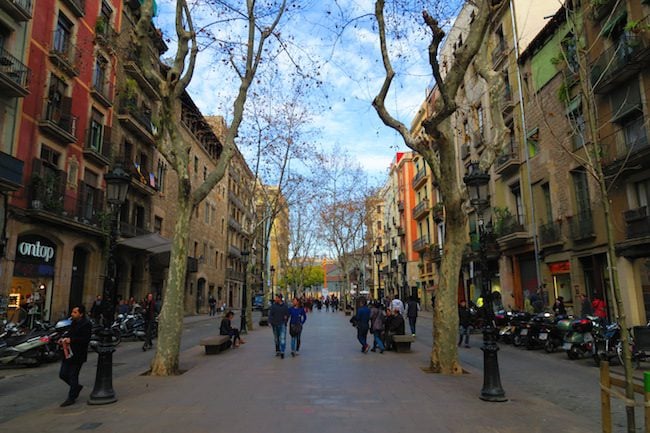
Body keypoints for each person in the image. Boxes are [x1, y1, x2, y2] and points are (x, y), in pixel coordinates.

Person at [58, 304, 92, 407]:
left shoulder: (86, 324)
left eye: (75, 312)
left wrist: (72, 340)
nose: (72, 314)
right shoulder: (73, 323)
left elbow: (85, 339)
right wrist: (63, 339)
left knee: (73, 375)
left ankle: (71, 397)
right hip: (68, 353)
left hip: (78, 354)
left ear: (81, 314)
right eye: (72, 312)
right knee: (63, 374)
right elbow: (69, 333)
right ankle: (76, 387)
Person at [268, 294, 289, 358]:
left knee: (282, 338)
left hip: (282, 324)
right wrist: (269, 322)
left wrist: (285, 321)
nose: (275, 299)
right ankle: (278, 350)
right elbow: (271, 314)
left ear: (280, 298)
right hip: (275, 324)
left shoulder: (285, 306)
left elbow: (287, 315)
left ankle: (282, 351)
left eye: (276, 298)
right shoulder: (273, 306)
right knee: (276, 338)